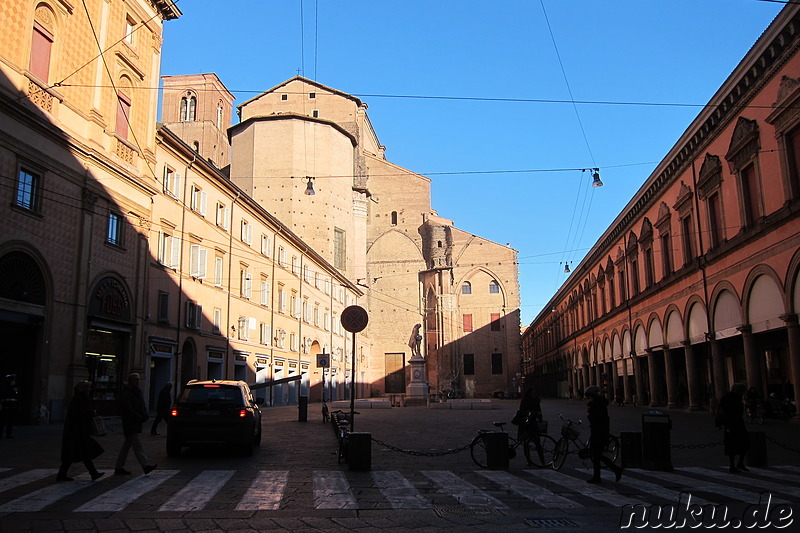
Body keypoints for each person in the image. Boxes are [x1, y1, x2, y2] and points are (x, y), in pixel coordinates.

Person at [57, 381, 105, 482]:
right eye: (88, 388)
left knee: (79, 453)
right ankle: (93, 473)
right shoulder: (79, 399)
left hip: (78, 431)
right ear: (83, 389)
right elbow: (79, 415)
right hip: (77, 431)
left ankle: (63, 474)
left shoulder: (80, 398)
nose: (89, 390)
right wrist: (91, 413)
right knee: (82, 453)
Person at [115, 373, 157, 476]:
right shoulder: (127, 393)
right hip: (130, 422)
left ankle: (119, 467)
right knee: (137, 445)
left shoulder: (137, 392)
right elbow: (128, 409)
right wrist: (139, 417)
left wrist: (144, 414)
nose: (138, 382)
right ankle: (145, 465)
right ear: (130, 381)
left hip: (135, 422)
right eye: (135, 380)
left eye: (138, 380)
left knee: (127, 446)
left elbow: (141, 404)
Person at [585, 385, 623, 484]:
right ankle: (599, 476)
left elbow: (595, 418)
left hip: (598, 432)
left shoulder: (596, 404)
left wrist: (590, 410)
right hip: (600, 431)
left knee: (596, 455)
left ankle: (612, 471)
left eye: (589, 396)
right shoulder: (600, 403)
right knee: (596, 456)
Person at [716, 383, 749, 473]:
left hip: (733, 424)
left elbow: (720, 410)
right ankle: (734, 465)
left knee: (739, 444)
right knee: (736, 445)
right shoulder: (732, 398)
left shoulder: (729, 397)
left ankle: (738, 464)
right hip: (733, 424)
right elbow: (726, 411)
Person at [516, 387, 546, 465]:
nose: (534, 394)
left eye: (535, 393)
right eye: (533, 393)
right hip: (525, 424)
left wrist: (539, 418)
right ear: (529, 394)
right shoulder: (525, 401)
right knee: (526, 443)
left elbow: (539, 411)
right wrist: (531, 413)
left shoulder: (536, 401)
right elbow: (522, 410)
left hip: (533, 424)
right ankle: (529, 461)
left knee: (537, 443)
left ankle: (542, 461)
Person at [0, 374, 19, 438]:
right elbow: (4, 394)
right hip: (5, 406)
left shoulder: (15, 387)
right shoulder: (5, 387)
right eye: (12, 379)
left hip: (12, 406)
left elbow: (16, 395)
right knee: (2, 421)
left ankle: (8, 434)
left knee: (10, 421)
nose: (13, 381)